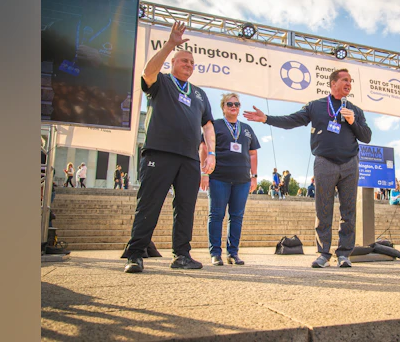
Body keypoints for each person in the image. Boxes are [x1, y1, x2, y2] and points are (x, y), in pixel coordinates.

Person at [244, 68, 372, 268]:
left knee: (349, 211)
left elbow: (366, 136)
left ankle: (344, 254)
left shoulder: (355, 110)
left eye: (351, 81)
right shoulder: (316, 106)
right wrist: (267, 118)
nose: (349, 84)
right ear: (333, 83)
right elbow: (292, 120)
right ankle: (323, 254)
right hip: (324, 162)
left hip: (350, 164)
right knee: (323, 210)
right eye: (345, 80)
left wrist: (353, 121)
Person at [122, 21, 216, 273]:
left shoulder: (199, 94)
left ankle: (182, 255)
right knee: (149, 204)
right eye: (184, 61)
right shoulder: (161, 82)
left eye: (192, 63)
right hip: (159, 153)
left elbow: (207, 126)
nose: (189, 65)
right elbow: (146, 72)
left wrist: (211, 153)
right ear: (173, 63)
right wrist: (171, 44)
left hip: (189, 158)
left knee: (185, 207)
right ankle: (135, 253)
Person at [41, 0, 136, 127]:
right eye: (93, 1)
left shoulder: (125, 38)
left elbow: (130, 79)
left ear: (110, 4)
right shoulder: (61, 28)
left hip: (104, 122)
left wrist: (102, 61)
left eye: (104, 2)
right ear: (83, 1)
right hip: (63, 118)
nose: (99, 7)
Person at [201, 93, 260, 266]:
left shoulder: (247, 129)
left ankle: (233, 253)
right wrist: (204, 173)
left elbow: (253, 154)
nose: (234, 107)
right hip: (219, 177)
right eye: (230, 104)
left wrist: (254, 177)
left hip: (242, 180)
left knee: (237, 217)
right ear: (223, 107)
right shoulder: (215, 125)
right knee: (217, 215)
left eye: (237, 104)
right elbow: (204, 147)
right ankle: (215, 253)